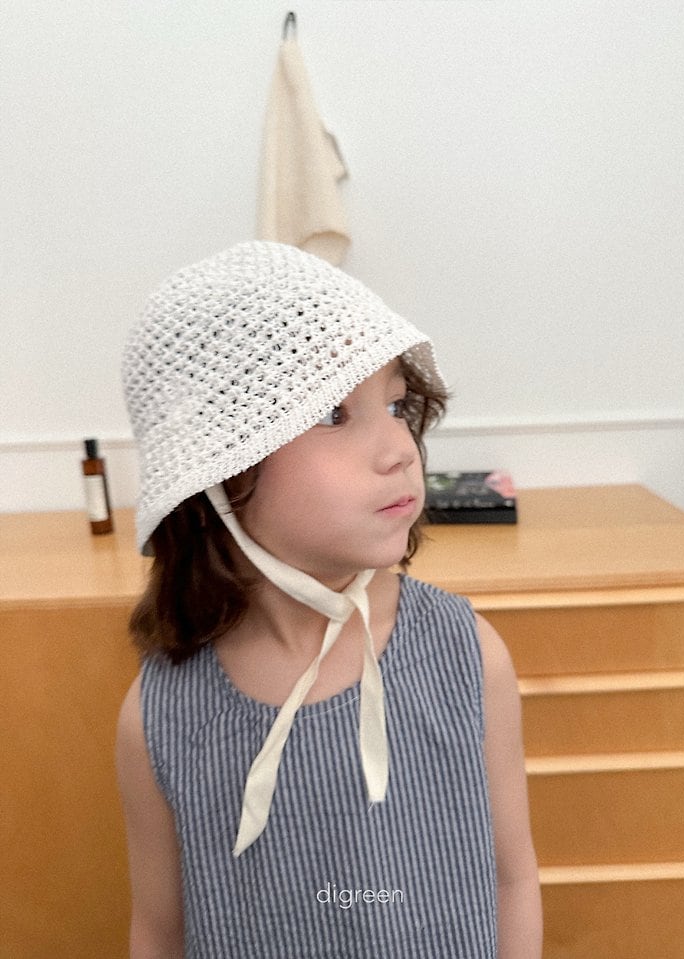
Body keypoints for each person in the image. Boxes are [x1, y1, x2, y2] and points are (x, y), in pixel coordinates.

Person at [116, 241, 542, 958]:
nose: (399, 448)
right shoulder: (160, 718)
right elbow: (160, 930)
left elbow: (512, 878)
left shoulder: (466, 656)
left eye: (397, 405)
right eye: (334, 415)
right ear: (217, 469)